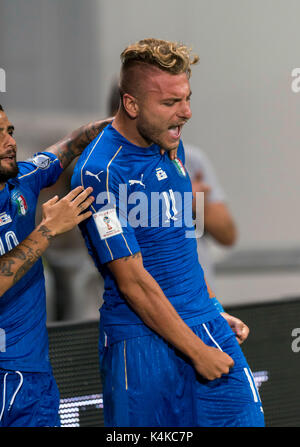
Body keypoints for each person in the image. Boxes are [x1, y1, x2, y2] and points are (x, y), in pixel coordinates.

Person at [71, 38, 264, 427]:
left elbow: (179, 246)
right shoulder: (100, 172)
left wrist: (209, 308)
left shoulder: (172, 149)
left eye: (187, 98)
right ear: (131, 104)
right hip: (141, 349)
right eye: (170, 103)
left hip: (202, 324)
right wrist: (196, 349)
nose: (187, 113)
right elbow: (133, 282)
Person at [0, 104, 111, 427]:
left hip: (34, 377)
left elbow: (71, 144)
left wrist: (117, 123)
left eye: (10, 131)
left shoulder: (22, 181)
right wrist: (48, 229)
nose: (10, 142)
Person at [185, 144, 237, 289]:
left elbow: (227, 236)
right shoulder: (119, 162)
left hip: (201, 295)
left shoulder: (191, 158)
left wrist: (198, 203)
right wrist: (180, 201)